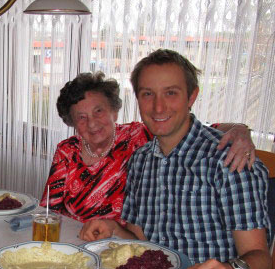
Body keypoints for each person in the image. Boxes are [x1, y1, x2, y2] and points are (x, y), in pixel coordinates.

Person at [80, 49, 271, 269]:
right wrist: (114, 229)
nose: (158, 107)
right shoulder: (141, 159)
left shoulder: (228, 159)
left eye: (171, 93)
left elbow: (261, 259)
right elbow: (141, 240)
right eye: (148, 94)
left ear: (192, 96)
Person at [41, 72, 255, 222]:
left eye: (99, 111)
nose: (92, 123)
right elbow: (49, 211)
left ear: (114, 111)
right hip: (74, 244)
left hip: (123, 246)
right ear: (72, 122)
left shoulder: (140, 135)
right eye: (82, 117)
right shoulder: (67, 150)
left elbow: (198, 130)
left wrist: (239, 130)